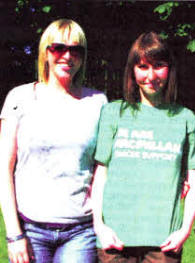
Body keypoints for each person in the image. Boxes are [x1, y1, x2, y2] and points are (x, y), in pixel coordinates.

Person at [91, 31, 195, 263]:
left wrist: (184, 230)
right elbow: (101, 175)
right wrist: (99, 227)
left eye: (159, 66)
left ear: (169, 69)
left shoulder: (185, 118)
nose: (151, 75)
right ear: (132, 71)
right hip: (115, 241)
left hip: (163, 244)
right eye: (143, 67)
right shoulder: (113, 113)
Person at [0, 19, 107, 263]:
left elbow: (107, 164)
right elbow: (3, 169)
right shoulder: (20, 97)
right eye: (59, 48)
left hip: (80, 232)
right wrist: (14, 235)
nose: (67, 56)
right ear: (45, 52)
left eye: (76, 50)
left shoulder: (98, 102)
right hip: (30, 229)